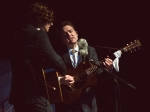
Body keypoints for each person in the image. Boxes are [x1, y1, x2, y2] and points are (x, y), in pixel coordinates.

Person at [9, 2, 73, 112]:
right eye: (50, 20)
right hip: (36, 99)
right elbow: (56, 61)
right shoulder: (38, 35)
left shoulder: (17, 34)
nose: (52, 24)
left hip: (18, 98)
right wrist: (64, 70)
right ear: (42, 18)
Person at [54, 20, 114, 112]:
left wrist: (108, 69)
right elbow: (52, 76)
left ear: (76, 33)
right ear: (61, 40)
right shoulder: (57, 55)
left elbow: (99, 77)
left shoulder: (90, 51)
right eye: (64, 34)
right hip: (67, 101)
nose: (69, 34)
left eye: (71, 31)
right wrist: (62, 80)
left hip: (87, 101)